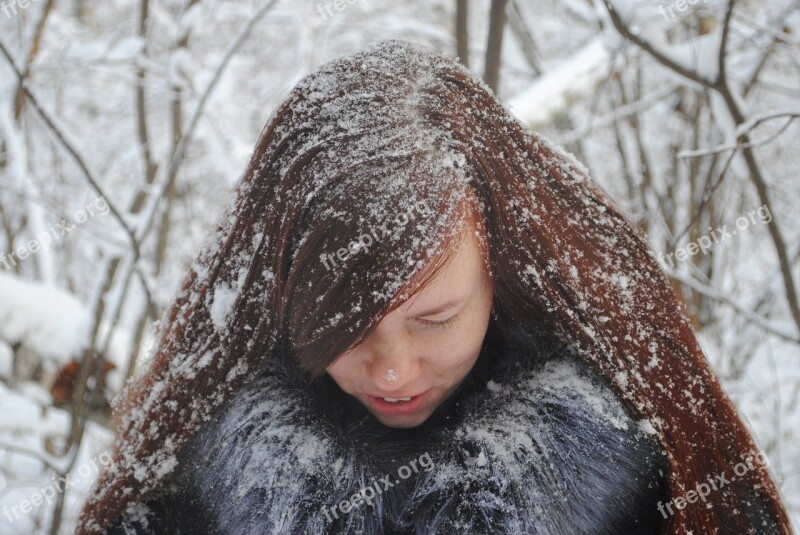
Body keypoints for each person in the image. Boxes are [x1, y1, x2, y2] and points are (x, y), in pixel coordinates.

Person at [75, 40, 792, 534]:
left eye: (436, 317)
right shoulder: (184, 492)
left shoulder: (663, 466)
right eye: (345, 330)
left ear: (502, 278)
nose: (392, 371)